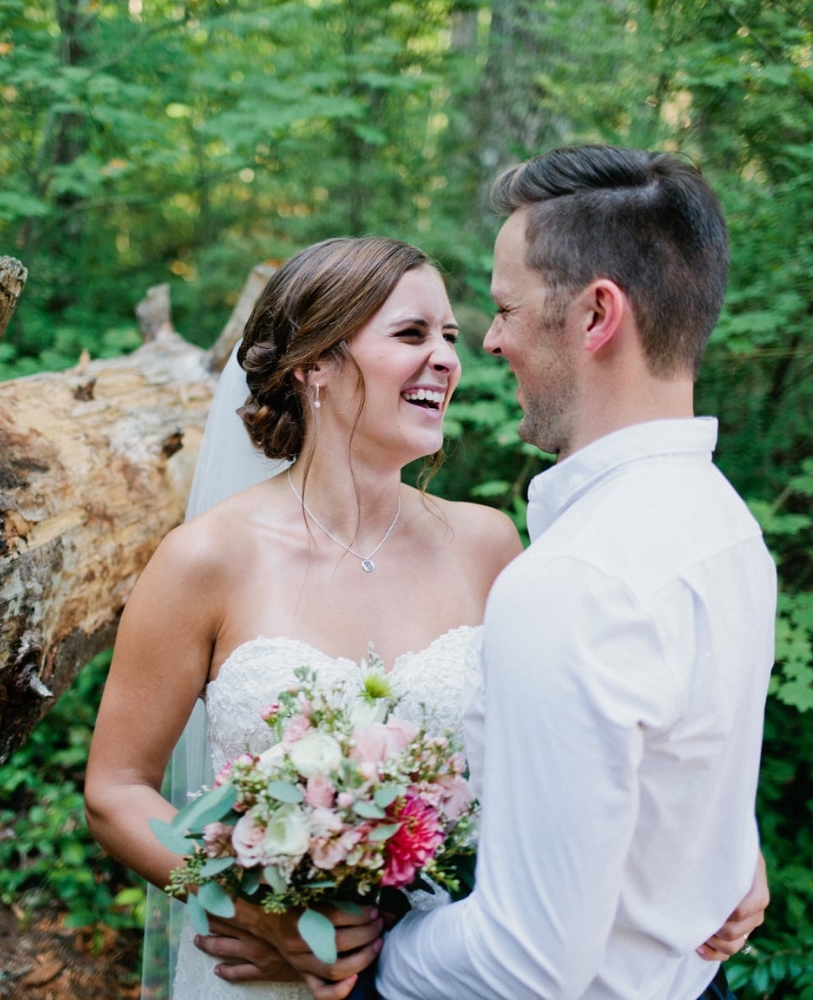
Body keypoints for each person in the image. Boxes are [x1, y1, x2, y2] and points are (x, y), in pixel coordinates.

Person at [86, 230, 767, 1000]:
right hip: (274, 976)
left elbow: (586, 736)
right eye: (411, 333)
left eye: (448, 335)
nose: (448, 357)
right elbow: (117, 789)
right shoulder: (204, 560)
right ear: (314, 362)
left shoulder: (487, 543)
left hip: (447, 964)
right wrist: (255, 905)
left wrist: (722, 841)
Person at [321, 146, 777, 1000]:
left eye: (505, 309)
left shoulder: (576, 581)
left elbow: (526, 962)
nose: (488, 341)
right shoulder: (727, 527)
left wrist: (382, 957)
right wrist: (728, 856)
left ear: (597, 314)